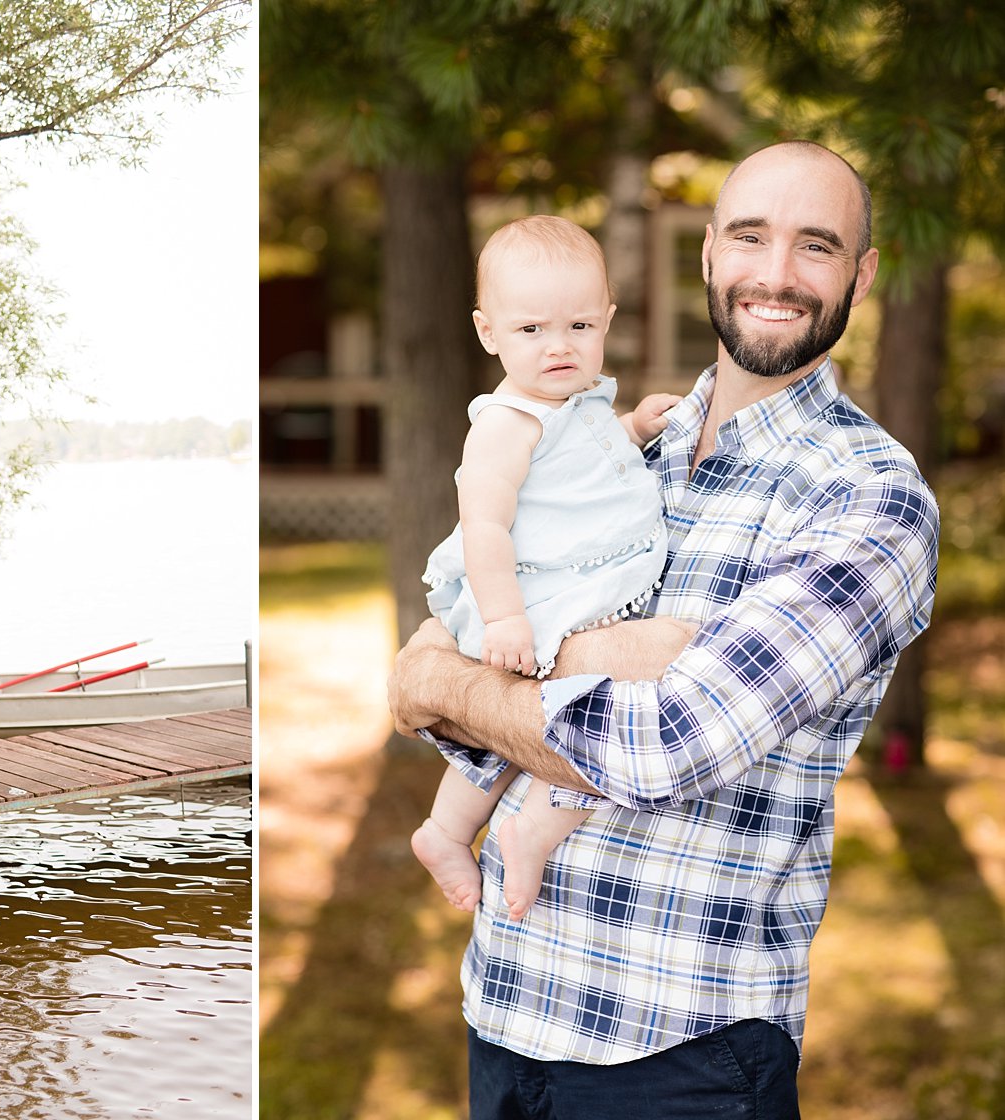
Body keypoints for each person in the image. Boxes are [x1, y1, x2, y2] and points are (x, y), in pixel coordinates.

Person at [388, 140, 940, 1117]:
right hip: (507, 1025)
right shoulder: (609, 436)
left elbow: (663, 746)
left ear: (862, 276)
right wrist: (543, 664)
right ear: (708, 255)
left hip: (680, 1062)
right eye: (750, 237)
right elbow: (464, 614)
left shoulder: (870, 499)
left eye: (815, 247)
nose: (774, 273)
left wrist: (452, 685)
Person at [412, 215, 681, 920]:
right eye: (531, 330)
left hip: (586, 582)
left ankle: (464, 831)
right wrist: (505, 616)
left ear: (607, 322)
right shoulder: (507, 422)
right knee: (574, 714)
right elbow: (484, 519)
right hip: (537, 593)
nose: (558, 346)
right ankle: (490, 830)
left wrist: (634, 429)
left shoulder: (579, 401)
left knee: (558, 722)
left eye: (579, 327)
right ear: (488, 333)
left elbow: (584, 465)